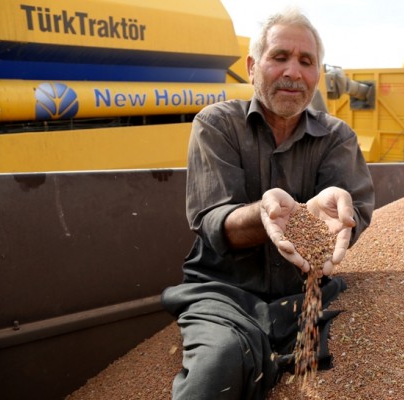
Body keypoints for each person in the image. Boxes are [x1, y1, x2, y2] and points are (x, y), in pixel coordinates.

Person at [161, 8, 375, 400]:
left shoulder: (336, 137)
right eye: (279, 57)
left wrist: (336, 219)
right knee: (220, 363)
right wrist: (266, 214)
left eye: (306, 61)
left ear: (317, 73)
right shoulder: (217, 125)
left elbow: (349, 210)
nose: (293, 71)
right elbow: (213, 220)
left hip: (307, 293)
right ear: (252, 66)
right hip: (225, 293)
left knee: (374, 359)